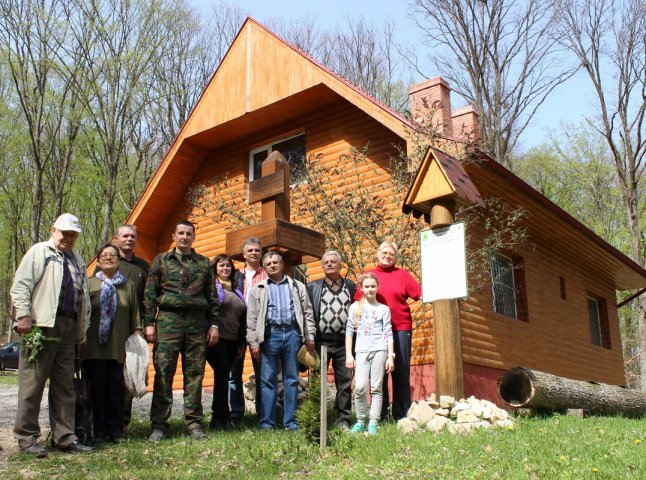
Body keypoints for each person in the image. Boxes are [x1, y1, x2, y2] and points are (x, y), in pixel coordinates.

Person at [11, 213, 93, 456]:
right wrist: (23, 315)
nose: (68, 238)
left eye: (72, 234)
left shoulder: (77, 260)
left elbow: (83, 298)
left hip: (68, 328)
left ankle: (65, 438)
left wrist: (81, 334)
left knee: (65, 386)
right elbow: (22, 284)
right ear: (53, 230)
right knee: (32, 385)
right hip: (41, 326)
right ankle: (27, 439)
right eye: (64, 232)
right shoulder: (40, 252)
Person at [144, 220, 220, 443]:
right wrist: (149, 322)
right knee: (164, 371)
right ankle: (159, 424)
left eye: (189, 233)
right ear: (174, 236)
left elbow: (212, 297)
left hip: (196, 323)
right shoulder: (161, 261)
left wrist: (214, 324)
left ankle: (193, 422)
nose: (185, 237)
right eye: (181, 233)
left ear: (193, 237)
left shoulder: (204, 264)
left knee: (195, 373)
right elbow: (149, 294)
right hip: (168, 320)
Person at [246, 251, 316, 430]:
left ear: (282, 264)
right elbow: (251, 319)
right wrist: (253, 342)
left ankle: (291, 422)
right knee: (268, 380)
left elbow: (307, 312)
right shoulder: (258, 289)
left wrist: (309, 336)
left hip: (293, 334)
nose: (272, 265)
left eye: (276, 262)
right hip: (270, 336)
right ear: (264, 267)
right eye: (268, 263)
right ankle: (267, 423)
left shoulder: (297, 286)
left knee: (291, 379)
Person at [356, 240, 421, 421]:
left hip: (400, 329)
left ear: (395, 257)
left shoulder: (403, 275)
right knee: (379, 374)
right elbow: (358, 303)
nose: (387, 256)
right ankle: (381, 415)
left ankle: (402, 415)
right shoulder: (369, 277)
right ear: (377, 254)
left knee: (400, 372)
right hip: (376, 333)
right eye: (384, 253)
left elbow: (420, 293)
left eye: (391, 254)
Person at [84, 243, 142, 444]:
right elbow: (82, 315)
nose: (109, 258)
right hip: (93, 348)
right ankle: (99, 431)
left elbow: (135, 315)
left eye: (113, 255)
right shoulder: (89, 284)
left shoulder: (128, 286)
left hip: (119, 348)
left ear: (119, 261)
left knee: (117, 390)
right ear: (98, 261)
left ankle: (116, 430)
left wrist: (137, 343)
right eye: (104, 255)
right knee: (97, 391)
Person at [306, 251, 355, 430]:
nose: (329, 264)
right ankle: (317, 417)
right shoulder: (313, 287)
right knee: (318, 382)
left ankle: (343, 419)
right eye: (326, 262)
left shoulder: (351, 286)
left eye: (333, 262)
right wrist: (309, 337)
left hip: (344, 343)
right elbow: (308, 315)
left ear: (340, 265)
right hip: (321, 342)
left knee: (345, 382)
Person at [107, 224, 149, 432]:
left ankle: (123, 422)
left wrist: (147, 325)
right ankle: (103, 421)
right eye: (125, 236)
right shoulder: (109, 262)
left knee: (130, 373)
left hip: (135, 329)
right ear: (116, 238)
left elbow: (148, 300)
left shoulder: (143, 267)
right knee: (110, 375)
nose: (129, 239)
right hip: (110, 328)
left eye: (133, 236)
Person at [346, 273, 394, 435]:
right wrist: (349, 355)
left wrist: (390, 355)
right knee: (359, 387)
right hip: (361, 351)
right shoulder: (355, 307)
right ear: (362, 288)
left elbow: (388, 333)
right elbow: (348, 333)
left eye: (373, 286)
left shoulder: (383, 309)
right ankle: (360, 421)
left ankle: (373, 422)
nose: (370, 289)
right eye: (367, 286)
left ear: (377, 287)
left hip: (379, 350)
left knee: (376, 387)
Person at [205, 254, 246, 431]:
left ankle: (217, 419)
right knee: (222, 375)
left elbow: (241, 318)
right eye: (221, 265)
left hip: (233, 341)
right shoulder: (212, 288)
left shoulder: (236, 290)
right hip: (217, 339)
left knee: (222, 377)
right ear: (215, 268)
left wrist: (240, 344)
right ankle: (224, 418)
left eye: (228, 266)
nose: (225, 268)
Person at [229, 237, 267, 422]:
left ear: (261, 253)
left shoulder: (267, 274)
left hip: (259, 329)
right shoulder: (235, 276)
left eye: (257, 250)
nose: (253, 253)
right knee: (233, 372)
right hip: (236, 328)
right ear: (243, 254)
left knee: (261, 372)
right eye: (250, 250)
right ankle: (236, 413)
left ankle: (263, 413)